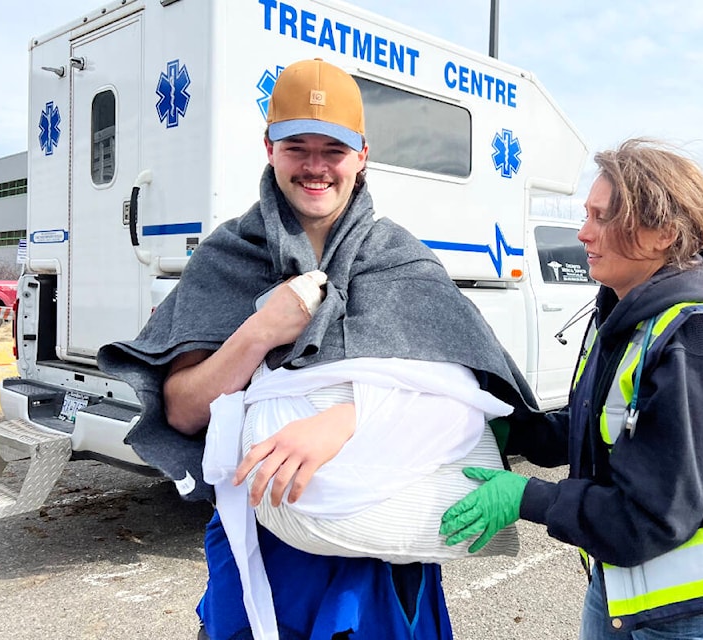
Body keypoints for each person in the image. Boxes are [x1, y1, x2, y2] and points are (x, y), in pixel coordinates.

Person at [98, 58, 537, 640]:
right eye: (296, 146)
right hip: (263, 546)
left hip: (381, 549)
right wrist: (258, 332)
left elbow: (466, 398)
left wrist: (346, 422)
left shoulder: (402, 260)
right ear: (269, 148)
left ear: (362, 154)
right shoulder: (227, 256)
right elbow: (181, 410)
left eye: (332, 149)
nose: (314, 167)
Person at [440, 138, 703, 639]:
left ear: (663, 234)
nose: (583, 232)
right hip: (629, 577)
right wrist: (521, 432)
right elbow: (608, 425)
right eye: (586, 214)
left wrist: (528, 496)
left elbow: (654, 514)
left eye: (601, 217)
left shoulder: (690, 341)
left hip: (696, 601)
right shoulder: (628, 314)